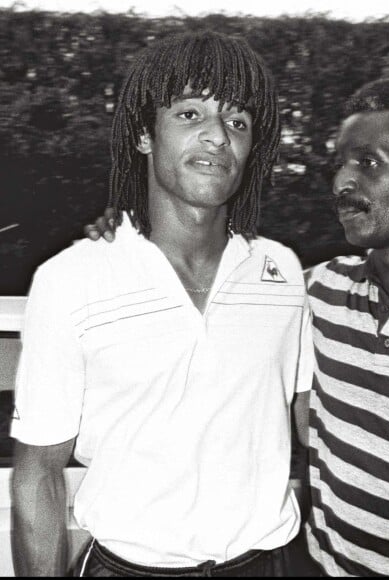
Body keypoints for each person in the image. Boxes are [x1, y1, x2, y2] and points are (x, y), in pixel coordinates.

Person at [85, 78, 389, 576]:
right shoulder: (318, 292)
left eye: (367, 163)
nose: (342, 182)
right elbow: (213, 294)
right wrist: (137, 232)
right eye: (338, 165)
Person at [10, 30, 316, 577]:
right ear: (145, 136)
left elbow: (311, 424)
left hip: (269, 563)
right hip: (127, 568)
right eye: (191, 114)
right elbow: (37, 472)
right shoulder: (70, 278)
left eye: (238, 122)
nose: (219, 137)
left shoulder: (282, 272)